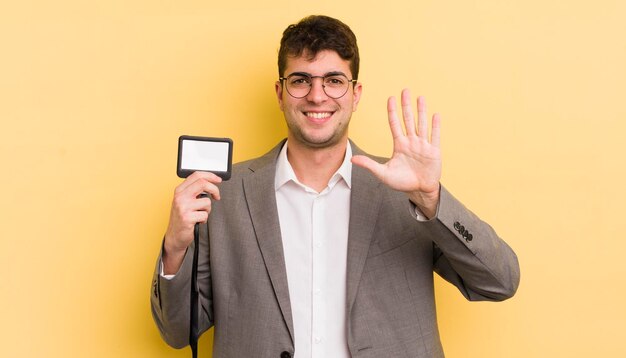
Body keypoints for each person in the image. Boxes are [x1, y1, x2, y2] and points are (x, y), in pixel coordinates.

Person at [151, 15, 520, 358]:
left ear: (355, 94)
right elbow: (178, 331)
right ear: (280, 93)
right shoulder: (224, 196)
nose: (317, 96)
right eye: (300, 80)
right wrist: (175, 246)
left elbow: (498, 282)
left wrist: (430, 198)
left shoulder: (404, 190)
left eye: (334, 80)